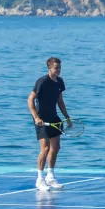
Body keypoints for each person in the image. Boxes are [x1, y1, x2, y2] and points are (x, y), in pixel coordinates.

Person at [27, 57, 71, 191]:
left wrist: (67, 118)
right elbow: (30, 100)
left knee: (56, 147)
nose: (59, 70)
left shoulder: (59, 81)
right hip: (41, 120)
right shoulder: (42, 82)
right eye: (56, 68)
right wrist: (36, 117)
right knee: (45, 149)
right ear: (49, 68)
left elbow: (60, 101)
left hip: (54, 118)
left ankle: (50, 177)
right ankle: (40, 180)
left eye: (60, 67)